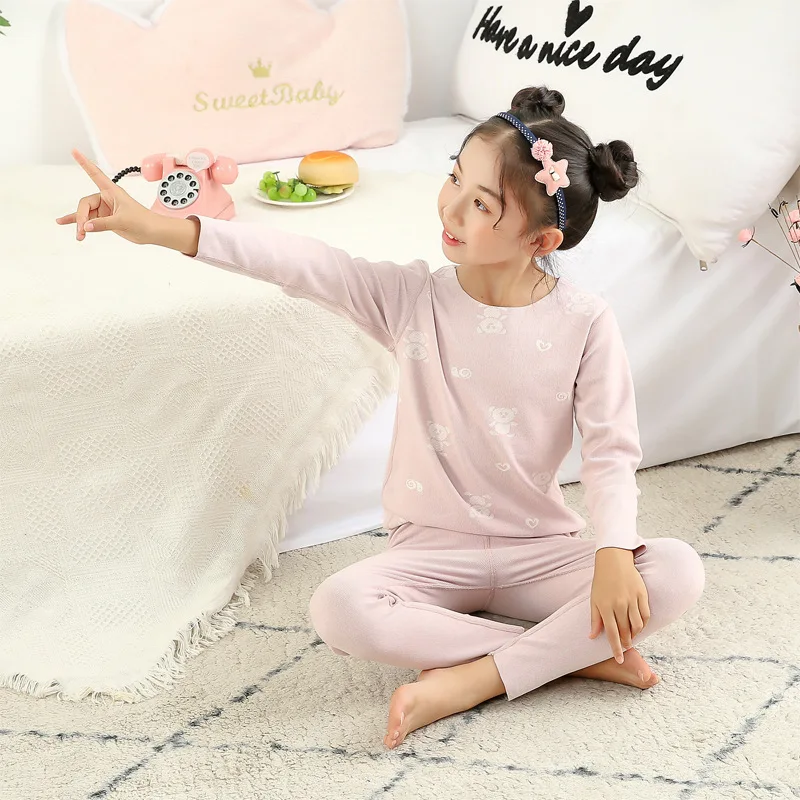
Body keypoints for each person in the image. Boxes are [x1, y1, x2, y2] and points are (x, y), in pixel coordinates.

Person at [57, 86, 705, 750]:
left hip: (539, 550)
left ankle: (477, 677)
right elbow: (302, 263)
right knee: (340, 608)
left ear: (541, 239)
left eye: (482, 204)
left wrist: (614, 550)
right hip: (429, 554)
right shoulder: (411, 298)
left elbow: (610, 451)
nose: (451, 206)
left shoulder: (585, 321)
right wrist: (157, 227)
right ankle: (564, 656)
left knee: (677, 569)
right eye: (455, 176)